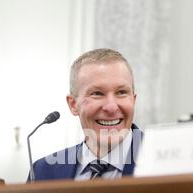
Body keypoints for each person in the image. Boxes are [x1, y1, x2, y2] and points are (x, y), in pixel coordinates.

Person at [31, 48, 143, 181]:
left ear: (133, 99)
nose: (111, 107)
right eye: (97, 93)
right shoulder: (43, 172)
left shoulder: (165, 161)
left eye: (121, 92)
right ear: (73, 105)